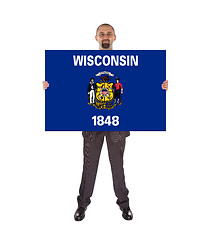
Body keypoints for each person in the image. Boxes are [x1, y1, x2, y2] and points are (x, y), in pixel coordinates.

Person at [43, 23, 168, 221]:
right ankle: (82, 205)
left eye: (108, 33)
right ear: (96, 38)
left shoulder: (127, 64)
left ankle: (124, 204)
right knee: (89, 165)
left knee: (117, 165)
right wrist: (52, 86)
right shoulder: (82, 64)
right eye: (102, 34)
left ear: (115, 37)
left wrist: (158, 86)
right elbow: (70, 86)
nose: (105, 36)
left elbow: (140, 86)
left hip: (118, 124)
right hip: (92, 123)